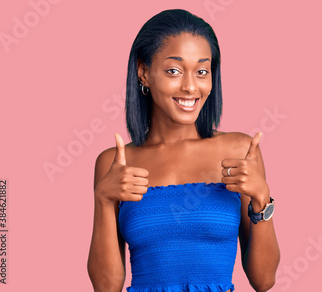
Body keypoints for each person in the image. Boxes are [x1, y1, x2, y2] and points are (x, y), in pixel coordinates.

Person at [87, 9, 280, 292]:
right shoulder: (115, 163)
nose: (190, 87)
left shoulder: (240, 150)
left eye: (202, 71)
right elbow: (106, 287)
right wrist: (103, 199)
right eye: (174, 71)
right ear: (144, 72)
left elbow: (264, 281)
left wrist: (262, 199)